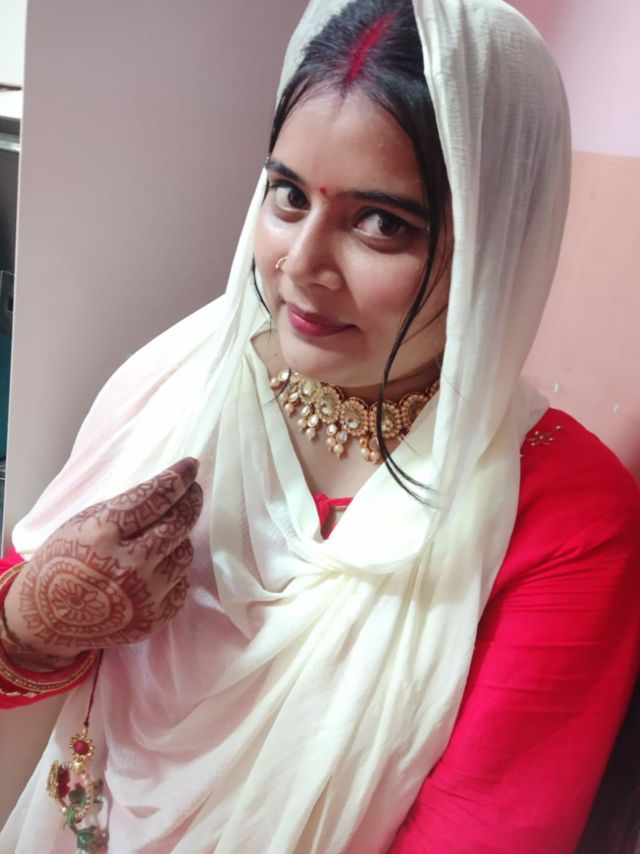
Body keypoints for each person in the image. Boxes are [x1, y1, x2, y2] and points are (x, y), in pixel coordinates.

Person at [0, 0, 639, 851]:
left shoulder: (565, 518)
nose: (300, 266)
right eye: (288, 195)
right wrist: (33, 627)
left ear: (497, 238)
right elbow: (18, 642)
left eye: (383, 223)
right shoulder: (174, 383)